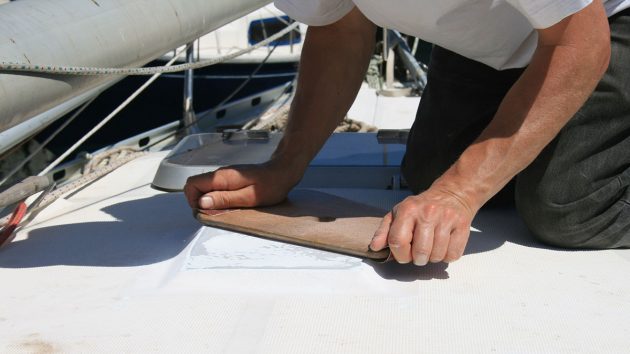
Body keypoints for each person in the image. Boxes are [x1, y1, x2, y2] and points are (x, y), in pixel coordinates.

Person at [185, 0, 630, 266]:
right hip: (487, 44)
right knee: (430, 174)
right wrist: (284, 167)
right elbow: (341, 26)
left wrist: (459, 193)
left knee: (567, 209)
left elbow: (579, 39)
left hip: (607, 22)